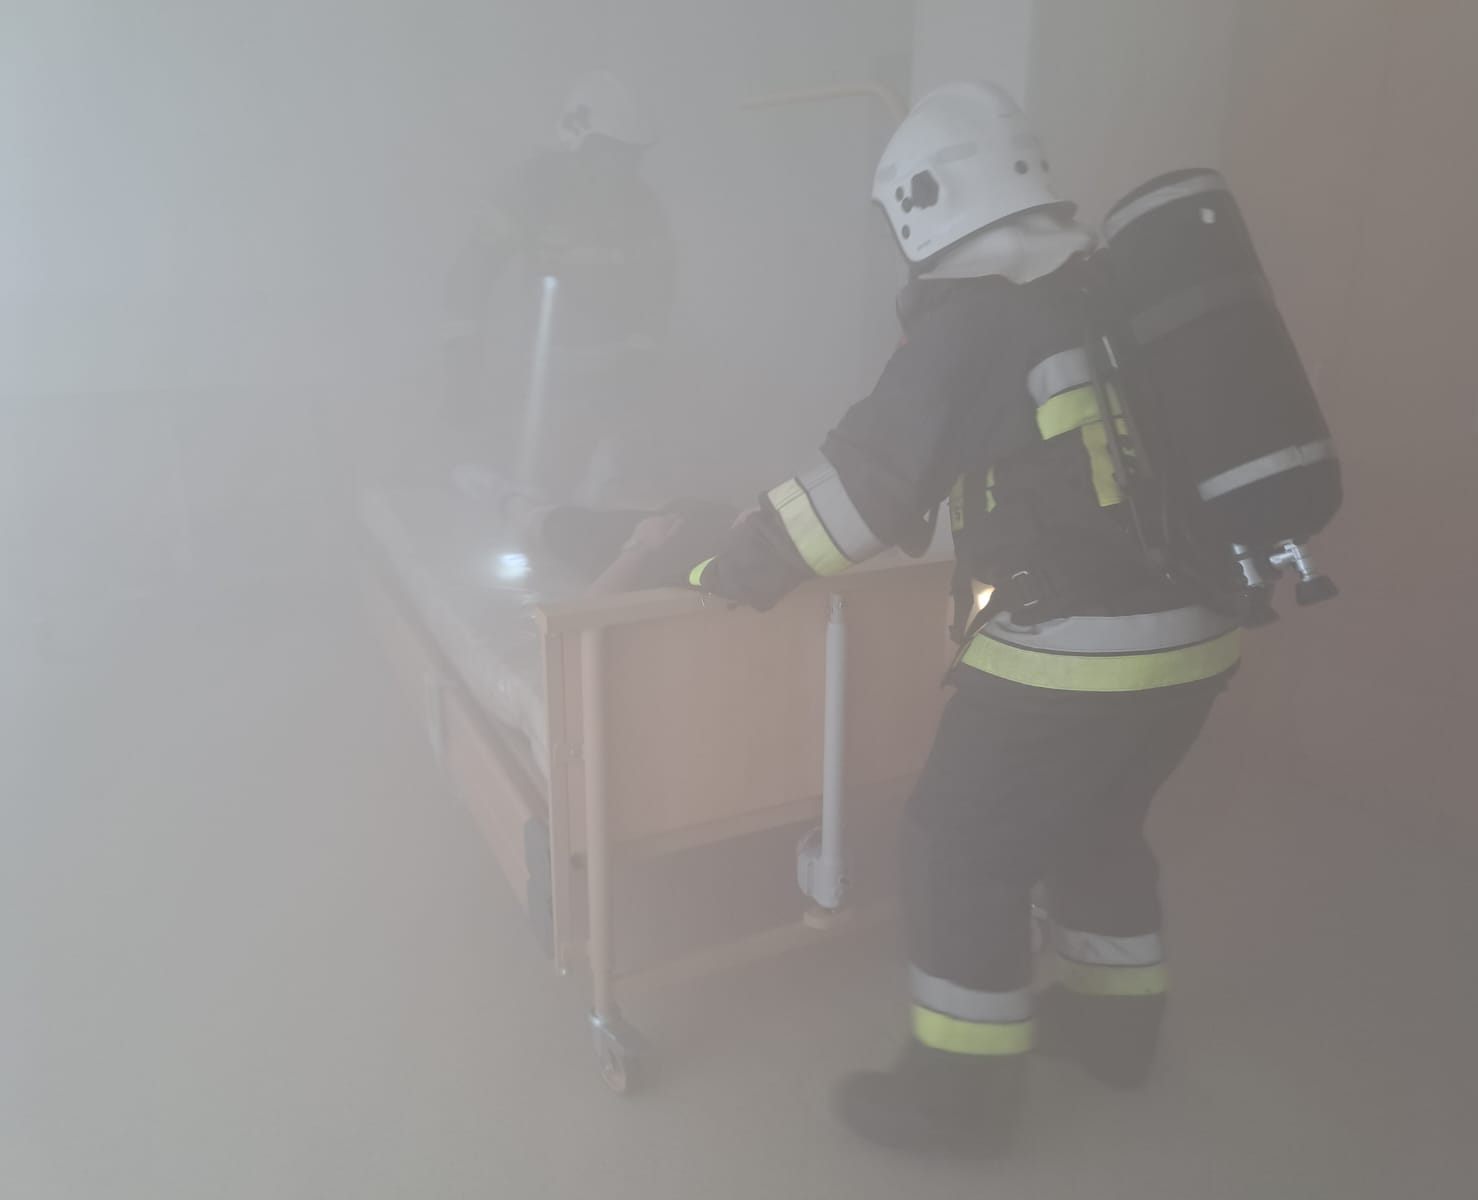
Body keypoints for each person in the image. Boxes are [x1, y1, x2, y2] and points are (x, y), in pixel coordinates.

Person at [683, 82, 1241, 1157]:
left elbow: (861, 491)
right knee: (1098, 824)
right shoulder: (1103, 287)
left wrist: (730, 568)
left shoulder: (978, 315)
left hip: (1075, 654)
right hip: (1197, 638)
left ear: (916, 207)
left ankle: (959, 1097)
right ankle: (1116, 1028)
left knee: (957, 847)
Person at [439, 70, 676, 503]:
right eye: (613, 154)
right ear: (576, 140)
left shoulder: (642, 207)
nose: (624, 169)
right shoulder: (530, 190)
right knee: (517, 484)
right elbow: (471, 274)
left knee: (603, 492)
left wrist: (637, 373)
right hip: (533, 371)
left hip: (609, 379)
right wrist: (462, 359)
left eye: (632, 157)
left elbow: (657, 295)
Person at [452, 462, 736, 596]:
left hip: (605, 550)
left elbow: (590, 608)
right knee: (696, 510)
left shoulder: (721, 572)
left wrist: (639, 544)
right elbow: (676, 508)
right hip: (647, 526)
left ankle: (505, 498)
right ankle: (607, 498)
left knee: (544, 520)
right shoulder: (730, 519)